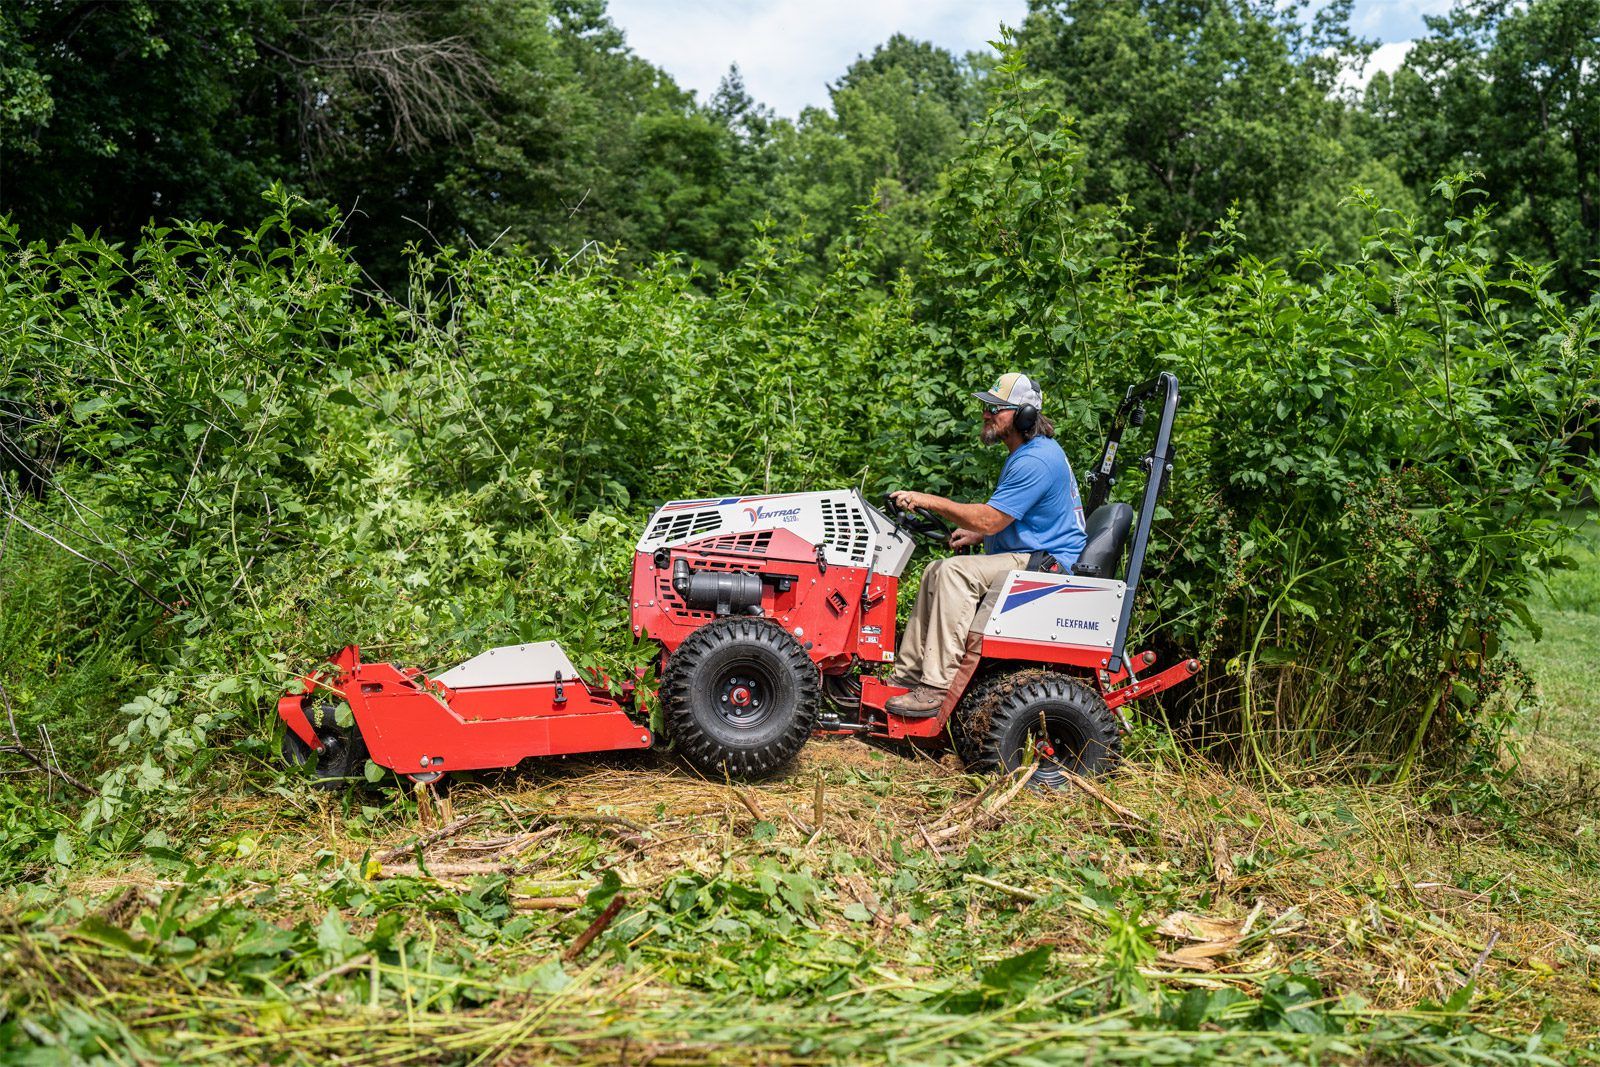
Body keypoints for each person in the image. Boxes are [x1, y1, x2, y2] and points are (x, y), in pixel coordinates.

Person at [884, 372, 1087, 717]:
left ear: (1024, 416)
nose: (986, 414)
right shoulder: (1029, 453)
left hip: (1049, 562)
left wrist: (927, 500)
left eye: (996, 408)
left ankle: (936, 687)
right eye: (986, 406)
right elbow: (1017, 519)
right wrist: (982, 536)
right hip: (1033, 551)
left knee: (954, 573)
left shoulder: (1036, 460)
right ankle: (907, 676)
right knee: (935, 570)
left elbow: (990, 518)